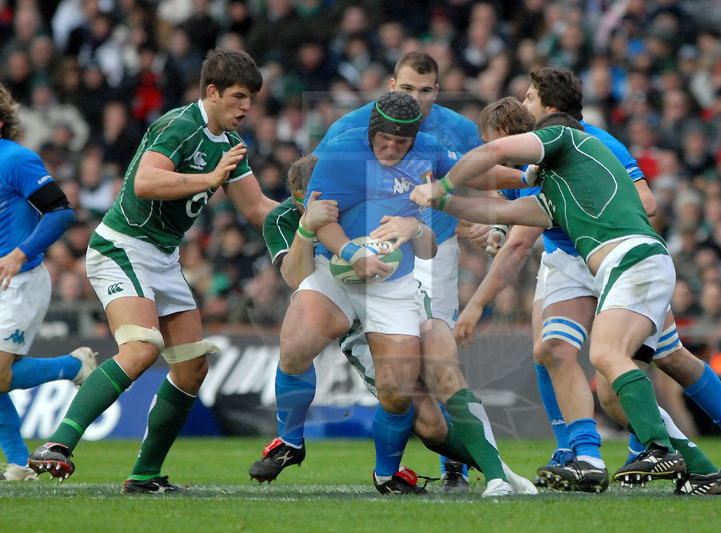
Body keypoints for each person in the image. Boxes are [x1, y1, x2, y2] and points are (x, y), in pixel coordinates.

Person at [458, 68, 721, 494]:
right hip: (568, 260)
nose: (491, 150)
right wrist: (491, 225)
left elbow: (647, 201)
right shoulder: (526, 164)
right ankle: (579, 452)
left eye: (529, 98)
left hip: (617, 255)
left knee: (664, 360)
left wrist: (477, 301)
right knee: (551, 349)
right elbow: (508, 212)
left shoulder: (593, 143)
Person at [251, 53, 532, 496]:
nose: (391, 149)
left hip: (402, 275)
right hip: (341, 270)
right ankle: (289, 439)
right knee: (298, 341)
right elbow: (319, 215)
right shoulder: (342, 144)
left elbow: (468, 176)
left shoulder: (436, 143)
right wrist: (347, 249)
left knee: (412, 395)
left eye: (402, 144)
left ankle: (440, 471)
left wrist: (528, 174)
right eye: (384, 141)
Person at [28, 49, 278, 493]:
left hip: (162, 257)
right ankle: (58, 445)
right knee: (143, 347)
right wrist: (208, 179)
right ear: (213, 92)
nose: (247, 108)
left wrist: (306, 213)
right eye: (240, 96)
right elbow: (145, 181)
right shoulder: (180, 125)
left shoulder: (228, 146)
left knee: (191, 368)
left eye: (252, 99)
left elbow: (259, 209)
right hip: (121, 245)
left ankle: (144, 476)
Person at [413, 111, 691, 493]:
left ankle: (663, 447)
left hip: (631, 260)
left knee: (619, 358)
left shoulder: (568, 142)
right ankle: (683, 465)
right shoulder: (552, 197)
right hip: (617, 267)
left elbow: (495, 154)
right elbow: (503, 212)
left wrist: (442, 184)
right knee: (570, 358)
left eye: (532, 97)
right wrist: (442, 200)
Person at [0, 83, 96, 482]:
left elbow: (60, 212)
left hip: (19, 281)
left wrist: (19, 253)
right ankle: (20, 464)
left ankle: (73, 365)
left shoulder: (17, 160)